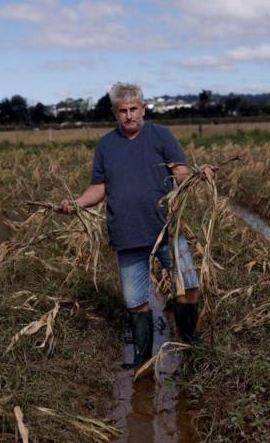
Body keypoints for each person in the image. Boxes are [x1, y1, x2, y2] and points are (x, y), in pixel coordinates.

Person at [59, 82, 216, 369]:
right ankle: (143, 360)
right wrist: (77, 203)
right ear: (114, 113)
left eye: (134, 109)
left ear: (143, 108)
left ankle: (190, 346)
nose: (129, 115)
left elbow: (179, 171)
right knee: (135, 301)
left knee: (188, 287)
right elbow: (98, 187)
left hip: (167, 229)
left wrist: (195, 174)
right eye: (123, 111)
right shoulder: (106, 145)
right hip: (128, 234)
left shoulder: (161, 136)